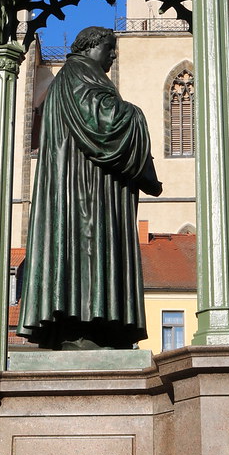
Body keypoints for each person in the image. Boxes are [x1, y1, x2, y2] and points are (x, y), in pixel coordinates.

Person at [17, 26, 162, 350]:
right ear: (91, 46)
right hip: (86, 196)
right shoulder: (79, 77)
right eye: (109, 48)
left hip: (83, 189)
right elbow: (105, 124)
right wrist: (136, 115)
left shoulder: (70, 80)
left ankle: (87, 328)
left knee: (82, 256)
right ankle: (85, 328)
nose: (113, 54)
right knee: (87, 253)